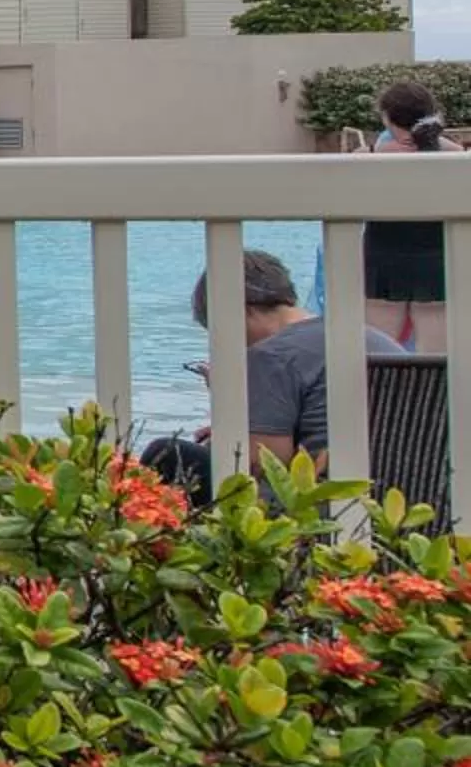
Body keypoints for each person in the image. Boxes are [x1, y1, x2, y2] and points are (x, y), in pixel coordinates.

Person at [139, 250, 404, 493]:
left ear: (239, 312)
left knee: (166, 455)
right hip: (395, 498)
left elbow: (261, 467)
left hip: (320, 507)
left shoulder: (271, 356)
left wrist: (228, 402)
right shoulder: (369, 338)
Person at [361, 80, 457, 354]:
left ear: (388, 117)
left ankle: (379, 398)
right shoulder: (451, 154)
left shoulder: (372, 156)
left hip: (384, 254)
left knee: (376, 352)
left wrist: (371, 153)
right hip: (436, 255)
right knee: (437, 356)